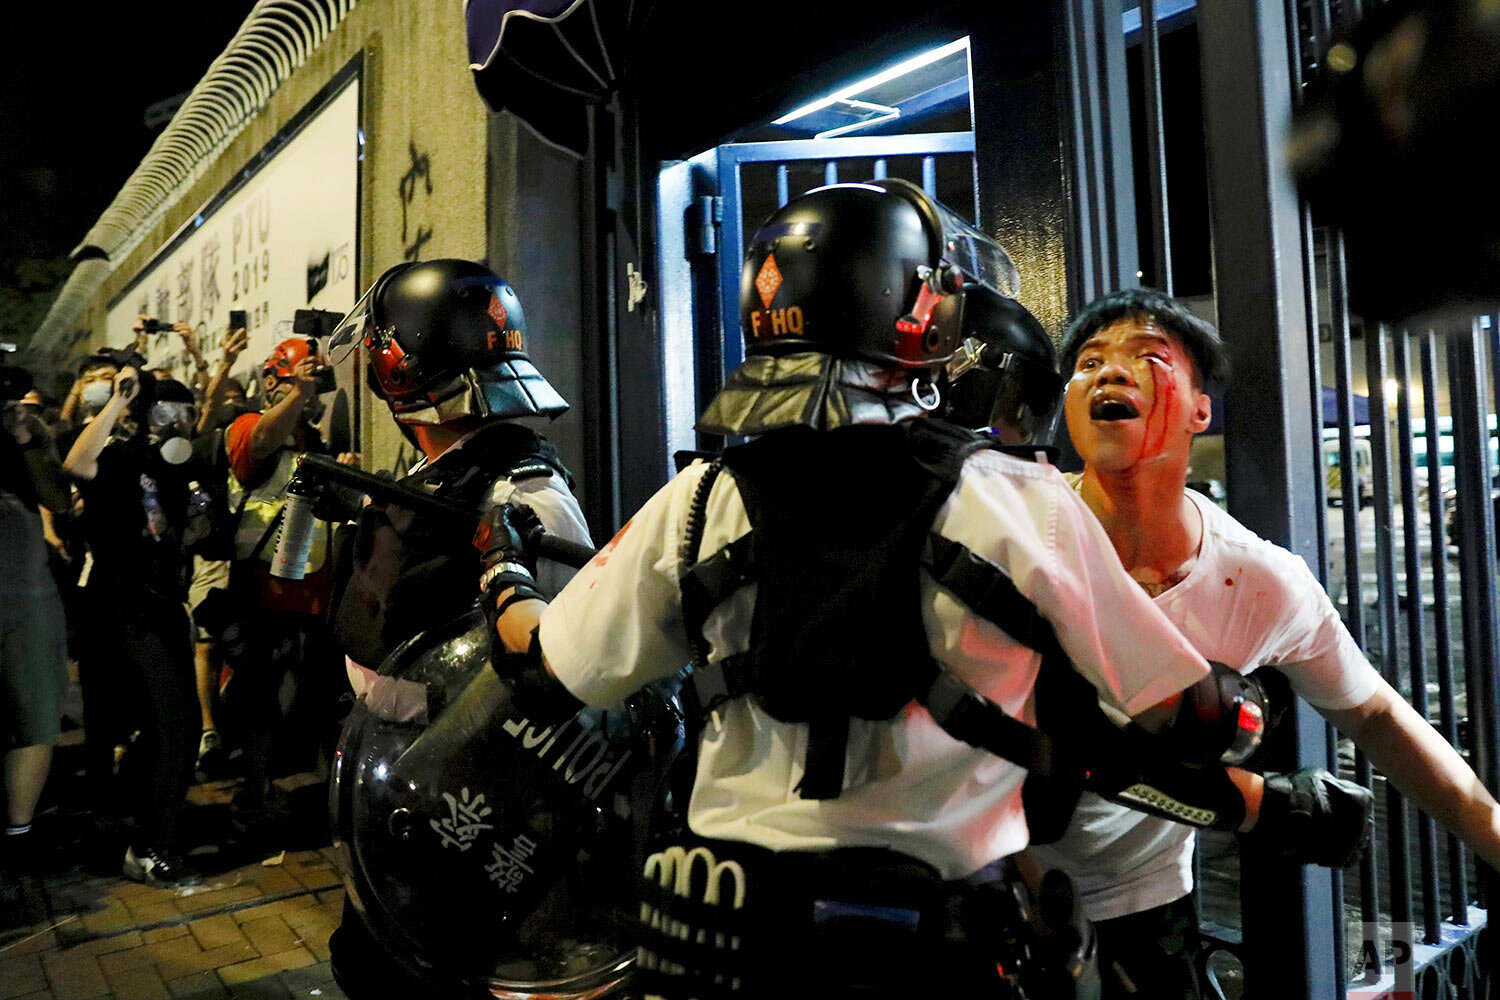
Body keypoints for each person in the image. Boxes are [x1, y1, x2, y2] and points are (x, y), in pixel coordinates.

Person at [475, 181, 1370, 997]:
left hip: (730, 941)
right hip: (936, 947)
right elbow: (1184, 712)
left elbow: (553, 670)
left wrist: (505, 573)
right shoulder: (1021, 501)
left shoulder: (699, 499)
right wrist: (1251, 723)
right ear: (916, 313)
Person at [1031, 286, 1500, 998]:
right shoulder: (1005, 528)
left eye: (1146, 357)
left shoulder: (1258, 581)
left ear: (1200, 410)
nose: (1109, 372)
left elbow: (1375, 714)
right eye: (1089, 360)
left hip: (1140, 903)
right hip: (982, 881)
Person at [317, 258, 592, 997]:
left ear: (395, 368)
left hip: (462, 801)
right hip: (397, 785)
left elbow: (552, 672)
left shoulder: (526, 495)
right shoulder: (433, 475)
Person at [63, 367, 205, 885]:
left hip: (163, 608)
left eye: (185, 415)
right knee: (166, 725)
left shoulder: (178, 472)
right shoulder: (123, 458)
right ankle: (148, 843)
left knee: (173, 725)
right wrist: (120, 400)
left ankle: (143, 825)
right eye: (165, 415)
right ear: (145, 420)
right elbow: (76, 462)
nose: (176, 426)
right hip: (122, 611)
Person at [221, 336, 354, 834]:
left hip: (313, 592)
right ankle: (253, 796)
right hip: (261, 594)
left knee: (319, 700)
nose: (313, 393)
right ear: (276, 380)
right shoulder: (246, 426)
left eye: (316, 386)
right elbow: (256, 448)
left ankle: (327, 797)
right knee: (259, 705)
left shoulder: (312, 444)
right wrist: (297, 398)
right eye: (304, 382)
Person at [0, 363, 71, 869]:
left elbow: (57, 498)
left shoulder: (31, 434)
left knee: (37, 715)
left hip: (26, 594)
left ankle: (18, 834)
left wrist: (24, 437)